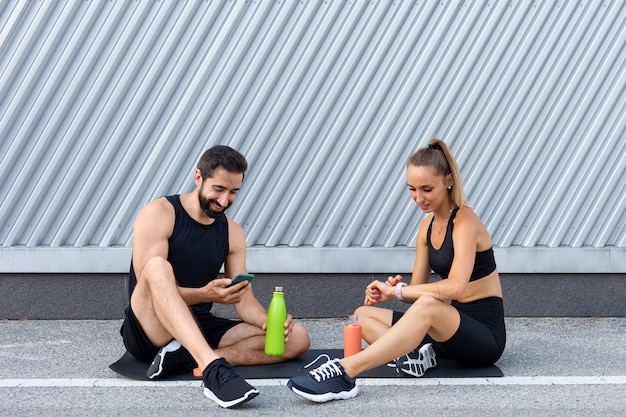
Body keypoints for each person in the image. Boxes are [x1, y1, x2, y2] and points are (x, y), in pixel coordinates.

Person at [287, 138, 506, 402]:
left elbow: (455, 287)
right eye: (412, 189)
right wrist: (391, 290)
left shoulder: (466, 221)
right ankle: (415, 358)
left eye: (427, 189)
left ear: (449, 181)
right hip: (446, 333)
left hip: (483, 336)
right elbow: (418, 291)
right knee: (363, 314)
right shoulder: (426, 227)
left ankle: (345, 372)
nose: (419, 198)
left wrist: (399, 291)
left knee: (425, 305)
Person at [120, 145, 310, 408]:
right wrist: (203, 295)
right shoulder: (160, 213)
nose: (224, 201)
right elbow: (149, 288)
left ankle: (188, 357)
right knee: (157, 267)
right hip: (149, 328)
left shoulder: (232, 231)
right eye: (218, 189)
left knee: (298, 338)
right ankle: (212, 368)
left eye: (233, 192)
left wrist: (269, 323)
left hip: (198, 323)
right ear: (198, 177)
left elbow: (244, 302)